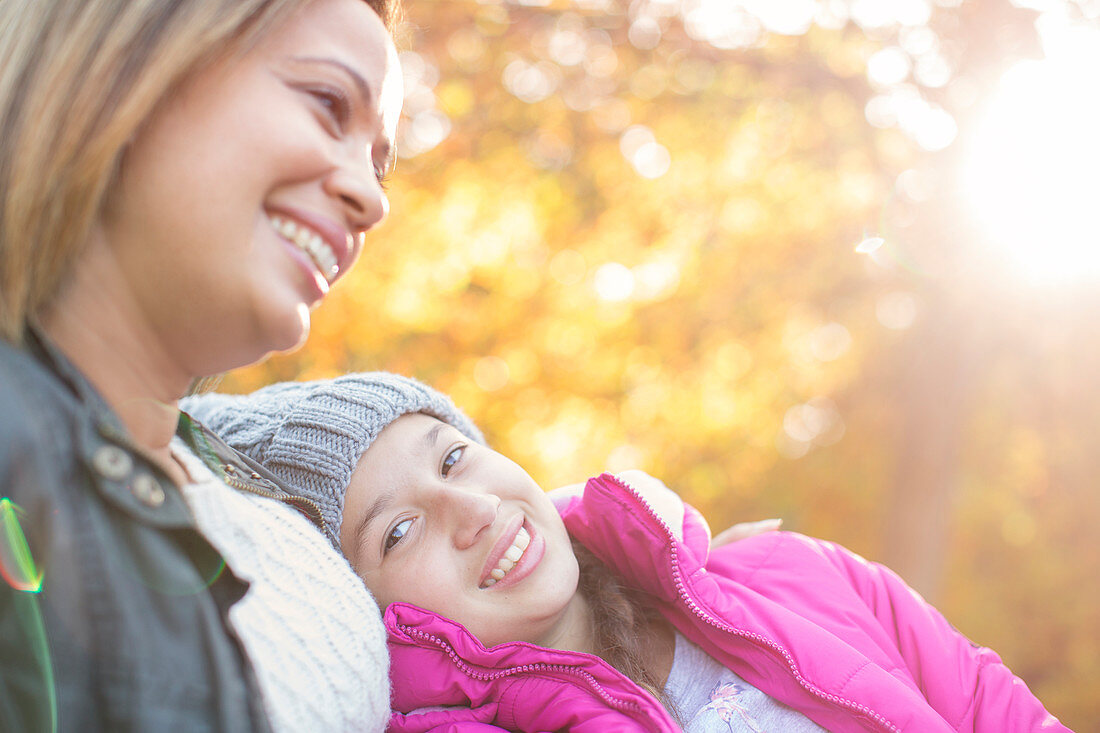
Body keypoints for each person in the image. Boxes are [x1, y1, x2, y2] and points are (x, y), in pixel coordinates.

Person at [184, 372, 1072, 733]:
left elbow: (1002, 711)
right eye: (397, 530)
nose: (468, 508)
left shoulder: (795, 575)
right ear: (365, 609)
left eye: (453, 455)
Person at [0, 1, 402, 730]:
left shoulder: (257, 485)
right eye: (327, 103)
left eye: (379, 164)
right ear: (125, 73)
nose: (372, 201)